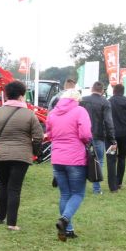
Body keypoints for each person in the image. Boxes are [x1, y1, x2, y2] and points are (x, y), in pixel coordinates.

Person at [0, 80, 43, 231]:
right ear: (22, 95)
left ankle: (0, 217)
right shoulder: (29, 115)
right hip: (21, 156)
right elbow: (38, 137)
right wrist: (35, 151)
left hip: (1, 155)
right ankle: (12, 223)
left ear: (6, 95)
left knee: (3, 185)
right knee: (14, 189)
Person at [46, 88, 92, 241]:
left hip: (57, 158)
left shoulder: (52, 113)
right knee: (78, 193)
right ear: (77, 99)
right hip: (75, 158)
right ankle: (65, 219)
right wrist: (86, 141)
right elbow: (85, 134)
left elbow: (50, 134)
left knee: (65, 194)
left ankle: (68, 230)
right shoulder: (80, 111)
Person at [80, 81, 115, 195]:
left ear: (92, 89)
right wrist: (112, 137)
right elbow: (108, 121)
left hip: (82, 135)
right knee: (98, 161)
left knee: (81, 160)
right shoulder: (105, 102)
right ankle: (96, 188)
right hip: (98, 135)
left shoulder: (82, 100)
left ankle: (80, 186)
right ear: (102, 91)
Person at [107, 83, 126, 191]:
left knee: (111, 158)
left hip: (112, 136)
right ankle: (119, 182)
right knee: (122, 157)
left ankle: (112, 184)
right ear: (123, 92)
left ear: (114, 91)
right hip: (125, 135)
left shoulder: (109, 102)